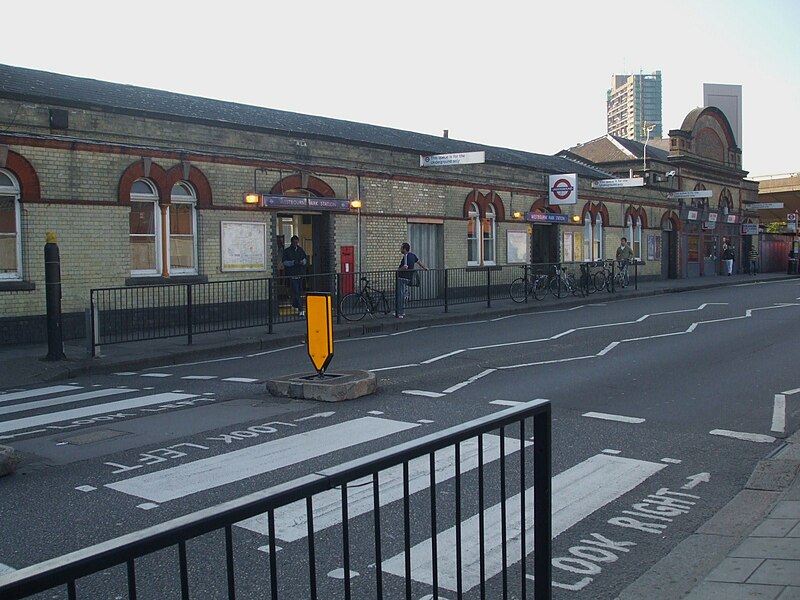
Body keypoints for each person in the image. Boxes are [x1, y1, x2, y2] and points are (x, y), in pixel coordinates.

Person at [396, 242, 428, 318]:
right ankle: (401, 312)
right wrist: (425, 268)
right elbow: (419, 262)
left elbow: (405, 267)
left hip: (402, 277)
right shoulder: (413, 256)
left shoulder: (406, 256)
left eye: (401, 248)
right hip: (408, 278)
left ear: (404, 249)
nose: (400, 249)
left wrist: (397, 270)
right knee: (403, 295)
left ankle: (400, 313)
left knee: (400, 295)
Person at [281, 235, 308, 316]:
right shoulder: (287, 251)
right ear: (291, 242)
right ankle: (301, 309)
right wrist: (293, 262)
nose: (295, 244)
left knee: (298, 291)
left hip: (300, 274)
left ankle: (294, 305)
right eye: (294, 242)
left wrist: (302, 262)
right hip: (292, 274)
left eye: (297, 242)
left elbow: (305, 259)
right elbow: (284, 262)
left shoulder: (300, 250)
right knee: (296, 292)